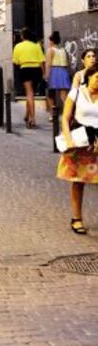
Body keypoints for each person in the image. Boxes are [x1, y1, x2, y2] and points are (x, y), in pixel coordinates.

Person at [57, 63, 98, 234]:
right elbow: (65, 118)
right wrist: (68, 139)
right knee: (78, 182)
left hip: (97, 144)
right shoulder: (76, 93)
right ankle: (77, 218)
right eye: (97, 78)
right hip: (80, 142)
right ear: (89, 77)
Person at [12, 27, 46, 128]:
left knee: (29, 94)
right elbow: (42, 61)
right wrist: (44, 73)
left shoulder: (18, 46)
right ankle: (27, 115)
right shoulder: (36, 45)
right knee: (30, 94)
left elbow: (16, 62)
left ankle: (33, 118)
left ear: (22, 36)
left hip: (25, 69)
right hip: (37, 70)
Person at [45, 31, 71, 118]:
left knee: (50, 94)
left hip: (54, 72)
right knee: (64, 95)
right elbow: (67, 63)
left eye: (49, 41)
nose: (49, 42)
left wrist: (47, 75)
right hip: (63, 71)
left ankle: (52, 114)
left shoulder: (50, 50)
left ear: (52, 41)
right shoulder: (64, 50)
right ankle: (69, 114)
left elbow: (48, 64)